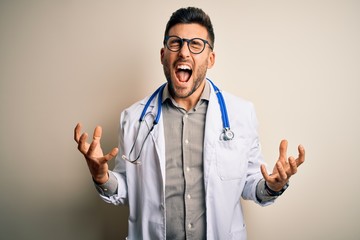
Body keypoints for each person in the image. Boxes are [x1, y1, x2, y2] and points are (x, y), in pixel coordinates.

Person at [74, 7, 305, 240]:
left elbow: (249, 183)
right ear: (163, 55)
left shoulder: (241, 114)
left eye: (196, 44)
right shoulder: (133, 118)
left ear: (210, 58)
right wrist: (103, 178)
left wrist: (272, 186)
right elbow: (126, 189)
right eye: (176, 43)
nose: (184, 52)